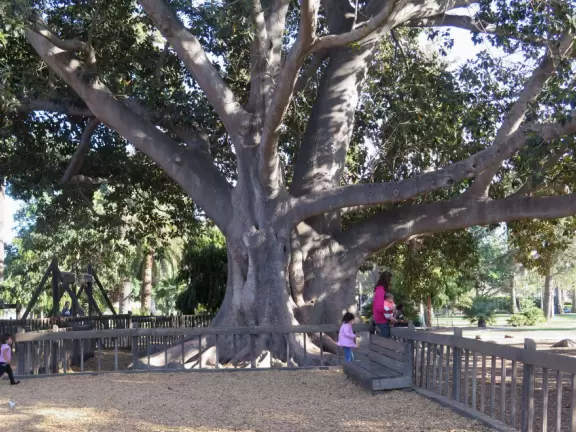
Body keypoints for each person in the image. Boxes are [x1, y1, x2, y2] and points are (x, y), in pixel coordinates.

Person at [372, 271, 393, 337]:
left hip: (382, 320)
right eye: (390, 281)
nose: (391, 283)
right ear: (387, 281)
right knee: (385, 344)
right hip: (381, 321)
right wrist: (390, 309)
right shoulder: (380, 291)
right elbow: (379, 308)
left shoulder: (380, 290)